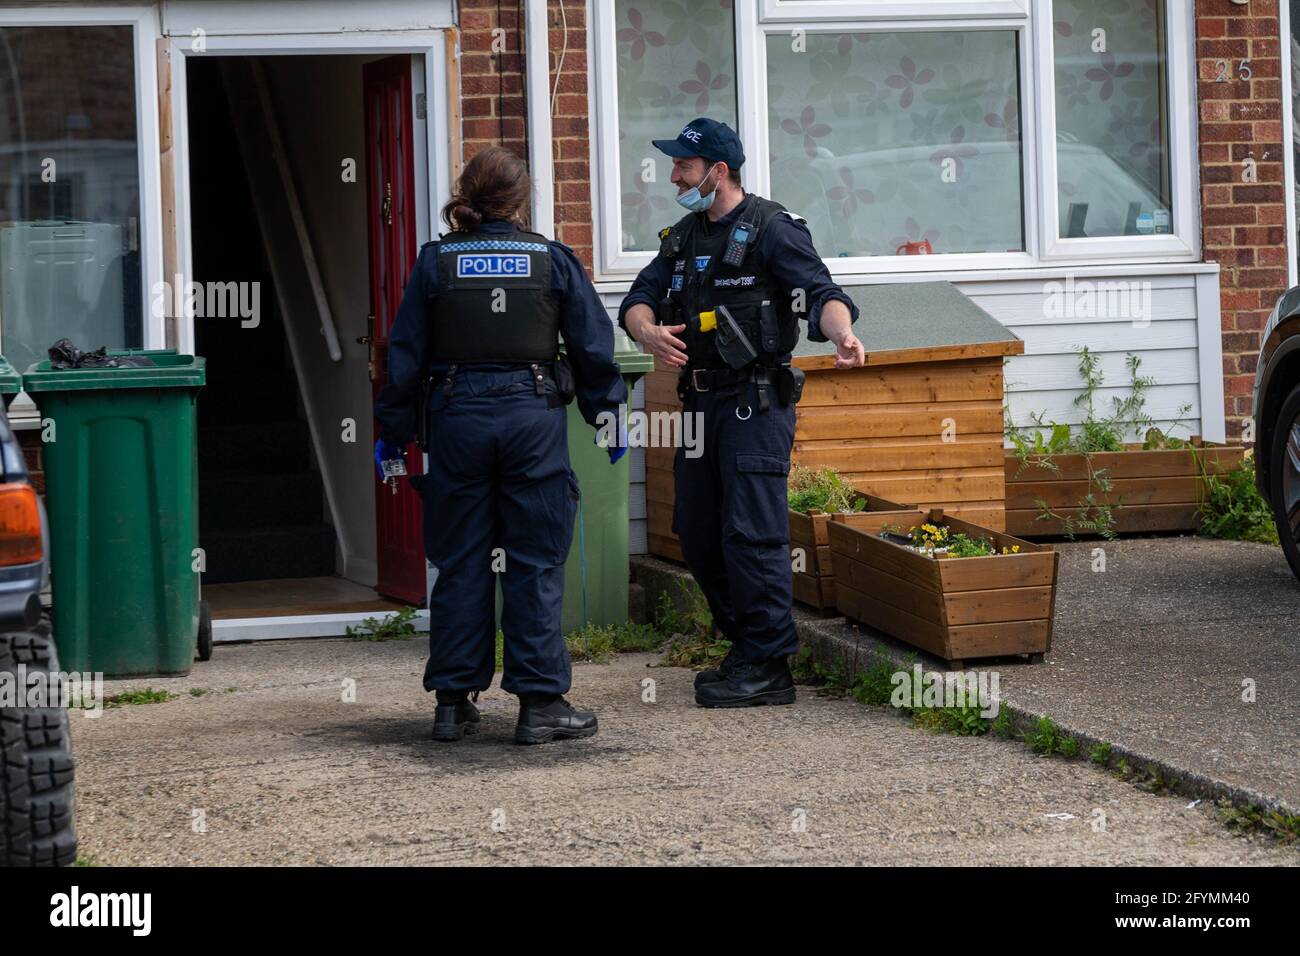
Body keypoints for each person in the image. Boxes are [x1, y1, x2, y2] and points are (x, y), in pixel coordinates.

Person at [374, 146, 627, 744]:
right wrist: (609, 416)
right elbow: (593, 346)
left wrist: (393, 432)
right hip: (530, 419)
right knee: (534, 561)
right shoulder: (552, 259)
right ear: (521, 200)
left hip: (456, 419)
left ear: (470, 196)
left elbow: (404, 354)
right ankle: (540, 705)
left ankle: (452, 705)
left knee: (461, 561)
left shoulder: (436, 263)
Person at [618, 118, 865, 708]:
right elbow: (636, 300)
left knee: (752, 534)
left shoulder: (772, 229)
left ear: (717, 172)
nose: (674, 175)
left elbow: (821, 292)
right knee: (698, 532)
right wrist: (646, 331)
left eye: (683, 166)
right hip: (700, 403)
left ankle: (770, 664)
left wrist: (842, 334)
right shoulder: (681, 238)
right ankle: (746, 646)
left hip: (755, 400)